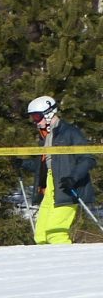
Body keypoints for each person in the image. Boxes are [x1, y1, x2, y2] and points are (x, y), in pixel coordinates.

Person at [26, 95, 96, 245]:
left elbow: (88, 158)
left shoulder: (70, 133)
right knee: (41, 235)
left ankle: (66, 260)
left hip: (67, 188)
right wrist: (23, 164)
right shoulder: (46, 137)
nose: (35, 121)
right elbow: (46, 165)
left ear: (49, 113)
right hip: (50, 186)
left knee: (55, 233)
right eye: (32, 118)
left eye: (37, 116)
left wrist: (73, 178)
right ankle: (46, 260)